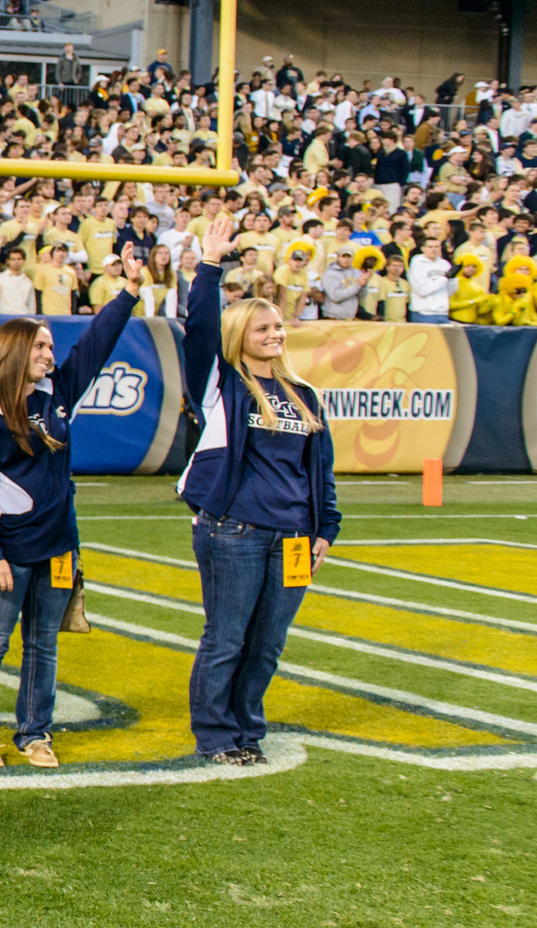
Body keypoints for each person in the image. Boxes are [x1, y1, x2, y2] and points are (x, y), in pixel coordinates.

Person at [0, 248, 144, 769]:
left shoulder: (58, 393)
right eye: (39, 345)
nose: (49, 352)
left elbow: (97, 345)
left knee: (43, 646)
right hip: (7, 551)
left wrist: (127, 291)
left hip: (58, 545)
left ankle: (35, 733)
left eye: (51, 345)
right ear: (13, 349)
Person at [177, 215, 340, 766]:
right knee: (226, 639)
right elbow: (198, 331)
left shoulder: (306, 395)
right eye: (261, 329)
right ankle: (216, 735)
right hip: (234, 530)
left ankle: (247, 728)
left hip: (294, 537)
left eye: (278, 328)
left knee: (267, 644)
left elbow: (322, 474)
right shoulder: (221, 385)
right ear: (239, 337)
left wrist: (325, 531)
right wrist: (210, 265)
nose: (275, 335)